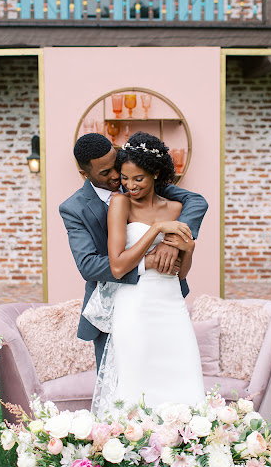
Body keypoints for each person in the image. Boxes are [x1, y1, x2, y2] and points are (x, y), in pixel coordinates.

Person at [59, 133, 207, 371]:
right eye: (105, 173)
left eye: (115, 164)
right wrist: (146, 262)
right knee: (120, 388)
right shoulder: (74, 208)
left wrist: (171, 241)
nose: (118, 177)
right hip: (112, 305)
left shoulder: (144, 183)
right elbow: (88, 265)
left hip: (163, 297)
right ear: (86, 174)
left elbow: (196, 202)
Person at [91, 131, 206, 414]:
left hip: (171, 306)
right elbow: (117, 265)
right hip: (135, 305)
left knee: (184, 382)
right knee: (136, 389)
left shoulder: (178, 208)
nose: (130, 186)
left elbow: (179, 274)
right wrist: (156, 229)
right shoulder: (120, 204)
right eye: (125, 178)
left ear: (155, 173)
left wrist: (188, 250)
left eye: (138, 179)